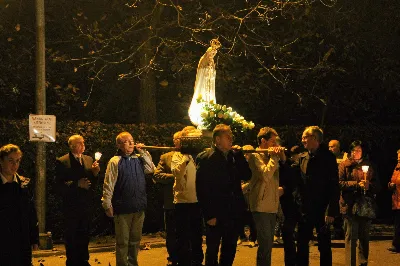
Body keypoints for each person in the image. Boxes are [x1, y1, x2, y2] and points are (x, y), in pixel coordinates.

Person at [196, 124, 252, 266]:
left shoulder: (234, 157)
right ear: (218, 139)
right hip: (216, 213)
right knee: (213, 249)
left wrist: (240, 158)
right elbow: (202, 188)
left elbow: (247, 175)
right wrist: (209, 215)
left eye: (232, 136)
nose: (231, 139)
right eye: (228, 137)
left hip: (233, 212)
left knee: (230, 248)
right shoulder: (206, 158)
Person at [102, 132, 155, 266]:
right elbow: (109, 183)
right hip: (122, 208)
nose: (131, 143)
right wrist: (107, 203)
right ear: (119, 145)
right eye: (126, 141)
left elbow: (151, 169)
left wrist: (143, 152)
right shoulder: (115, 161)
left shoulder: (139, 158)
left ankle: (133, 263)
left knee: (135, 240)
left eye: (132, 140)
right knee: (122, 241)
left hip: (138, 206)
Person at [292, 126, 340, 266]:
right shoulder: (302, 158)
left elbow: (333, 185)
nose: (302, 140)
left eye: (305, 137)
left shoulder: (328, 158)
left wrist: (331, 210)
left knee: (324, 245)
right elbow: (296, 180)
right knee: (301, 243)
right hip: (305, 209)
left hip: (322, 208)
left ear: (315, 138)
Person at [55, 135, 100, 266]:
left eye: (83, 142)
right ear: (72, 146)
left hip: (86, 204)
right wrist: (76, 184)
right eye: (79, 143)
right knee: (71, 235)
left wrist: (95, 173)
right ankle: (72, 261)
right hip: (71, 206)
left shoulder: (88, 159)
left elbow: (93, 181)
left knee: (84, 233)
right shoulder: (63, 161)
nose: (82, 145)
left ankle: (84, 260)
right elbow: (58, 185)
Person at [247, 127, 286, 266]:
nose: (275, 145)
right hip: (261, 205)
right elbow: (265, 175)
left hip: (272, 204)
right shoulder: (254, 156)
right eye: (272, 141)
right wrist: (274, 157)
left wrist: (280, 157)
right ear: (263, 141)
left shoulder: (271, 156)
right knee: (265, 243)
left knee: (269, 244)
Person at [339, 140, 381, 266]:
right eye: (353, 150)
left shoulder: (369, 166)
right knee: (351, 237)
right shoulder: (344, 165)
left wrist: (369, 185)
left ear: (362, 151)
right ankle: (350, 263)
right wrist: (356, 184)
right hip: (349, 204)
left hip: (365, 205)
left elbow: (378, 185)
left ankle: (363, 262)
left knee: (364, 237)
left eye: (358, 150)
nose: (355, 153)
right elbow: (339, 183)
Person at [0, 144, 39, 266]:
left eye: (17, 161)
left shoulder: (23, 185)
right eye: (10, 161)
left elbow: (31, 213)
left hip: (22, 240)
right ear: (1, 161)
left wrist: (34, 239)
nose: (14, 165)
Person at [171, 127, 204, 266]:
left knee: (197, 234)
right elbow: (176, 173)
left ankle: (197, 260)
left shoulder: (200, 155)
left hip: (198, 199)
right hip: (182, 201)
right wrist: (185, 158)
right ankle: (183, 261)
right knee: (183, 235)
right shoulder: (178, 156)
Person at [153, 131, 181, 266]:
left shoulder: (192, 155)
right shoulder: (166, 157)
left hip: (189, 201)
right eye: (177, 139)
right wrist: (174, 177)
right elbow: (157, 175)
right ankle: (173, 258)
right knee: (171, 233)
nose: (179, 141)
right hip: (171, 201)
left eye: (182, 138)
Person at [188, 39, 221, 126]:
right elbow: (200, 74)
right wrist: (207, 72)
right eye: (211, 53)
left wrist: (211, 72)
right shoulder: (203, 61)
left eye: (214, 54)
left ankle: (209, 117)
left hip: (209, 87)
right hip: (203, 86)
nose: (212, 55)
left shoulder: (212, 62)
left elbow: (213, 74)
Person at [388, 149, 400, 253]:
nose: (399, 158)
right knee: (397, 223)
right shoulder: (397, 168)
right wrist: (390, 185)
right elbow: (393, 180)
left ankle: (396, 244)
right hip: (396, 200)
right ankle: (396, 244)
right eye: (398, 156)